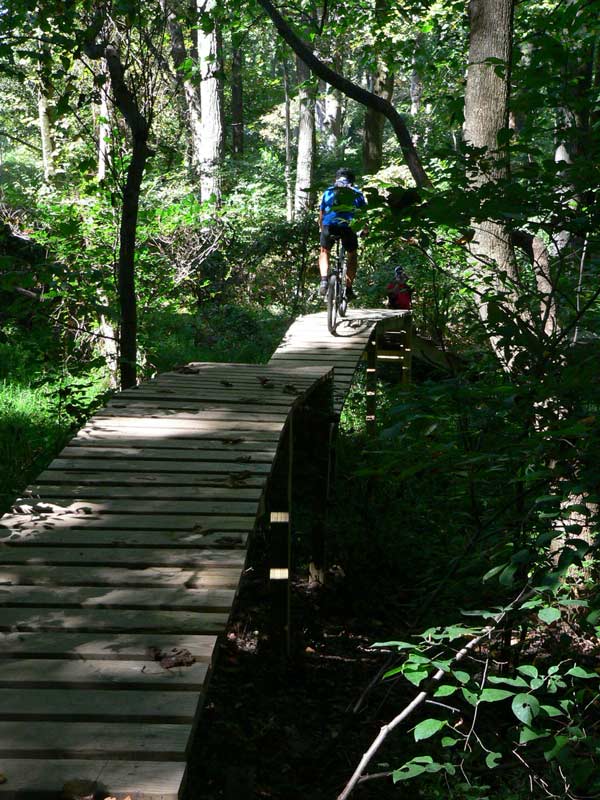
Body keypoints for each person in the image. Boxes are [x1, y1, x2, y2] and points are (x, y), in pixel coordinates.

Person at [318, 167, 367, 300]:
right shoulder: (357, 193)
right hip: (348, 227)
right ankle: (349, 289)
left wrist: (322, 228)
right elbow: (363, 215)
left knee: (324, 251)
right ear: (352, 180)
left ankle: (323, 280)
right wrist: (365, 230)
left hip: (329, 226)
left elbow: (322, 214)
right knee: (352, 255)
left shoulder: (328, 191)